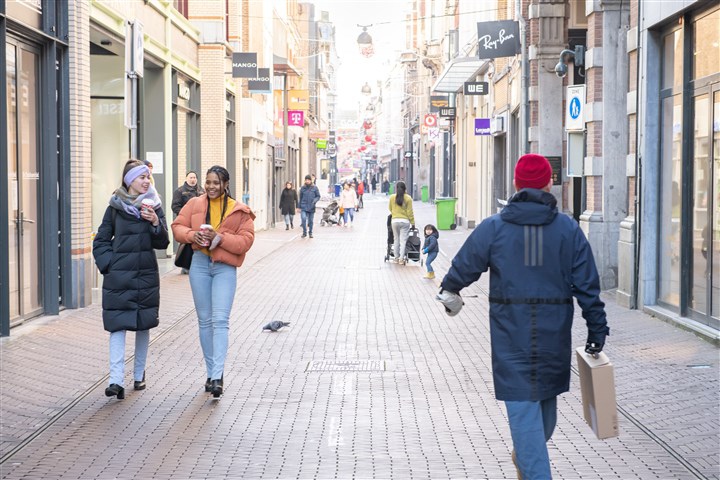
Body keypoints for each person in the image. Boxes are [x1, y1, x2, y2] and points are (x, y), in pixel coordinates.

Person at [436, 154, 609, 479]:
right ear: (548, 185)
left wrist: (451, 293)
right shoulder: (567, 230)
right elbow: (588, 284)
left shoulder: (495, 228)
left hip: (519, 340)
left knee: (543, 421)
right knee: (534, 423)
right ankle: (530, 461)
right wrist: (596, 327)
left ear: (516, 184)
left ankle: (526, 454)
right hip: (540, 340)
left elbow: (462, 267)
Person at [171, 166, 256, 398]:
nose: (211, 186)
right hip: (199, 264)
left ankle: (217, 375)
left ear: (225, 184)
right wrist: (192, 236)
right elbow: (177, 226)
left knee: (220, 320)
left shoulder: (239, 210)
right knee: (205, 321)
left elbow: (246, 241)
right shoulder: (194, 204)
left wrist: (219, 238)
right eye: (208, 182)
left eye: (216, 182)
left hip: (224, 268)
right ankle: (210, 372)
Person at [92, 159, 170, 400]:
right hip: (119, 276)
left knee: (143, 323)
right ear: (129, 181)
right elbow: (101, 240)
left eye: (148, 177)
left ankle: (138, 374)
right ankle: (115, 380)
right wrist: (109, 266)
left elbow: (163, 242)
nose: (146, 181)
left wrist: (155, 223)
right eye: (141, 177)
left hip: (145, 275)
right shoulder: (115, 206)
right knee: (117, 326)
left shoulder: (154, 206)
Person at [389, 181, 415, 264]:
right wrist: (413, 223)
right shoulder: (408, 198)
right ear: (405, 189)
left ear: (396, 188)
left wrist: (395, 214)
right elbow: (410, 212)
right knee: (403, 241)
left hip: (395, 221)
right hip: (405, 221)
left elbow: (390, 208)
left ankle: (396, 258)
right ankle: (401, 259)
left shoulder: (392, 197)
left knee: (396, 239)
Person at [297, 174, 320, 238]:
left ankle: (310, 232)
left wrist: (314, 201)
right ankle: (304, 232)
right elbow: (300, 198)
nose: (307, 181)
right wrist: (298, 207)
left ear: (310, 180)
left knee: (311, 221)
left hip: (311, 207)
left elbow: (318, 196)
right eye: (306, 180)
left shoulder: (315, 188)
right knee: (303, 219)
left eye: (308, 180)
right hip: (303, 206)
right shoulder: (303, 188)